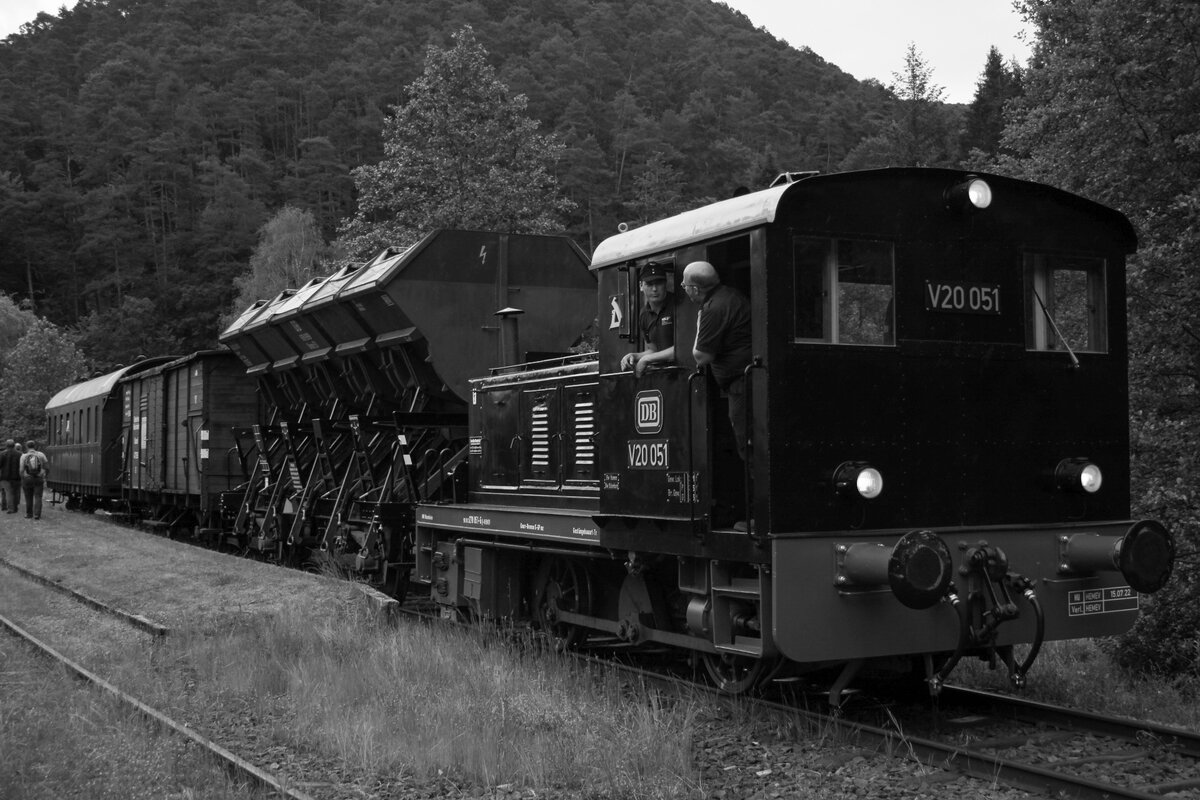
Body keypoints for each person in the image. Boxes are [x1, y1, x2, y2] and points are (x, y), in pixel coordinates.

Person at [683, 260, 753, 457]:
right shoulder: (731, 295)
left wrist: (698, 325)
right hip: (740, 381)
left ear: (695, 289)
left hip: (741, 382)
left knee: (745, 438)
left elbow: (702, 356)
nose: (685, 290)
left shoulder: (713, 308)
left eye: (685, 286)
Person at [619, 264, 676, 376]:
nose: (654, 289)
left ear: (665, 284)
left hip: (684, 371)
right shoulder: (644, 314)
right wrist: (635, 356)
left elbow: (685, 347)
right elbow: (654, 350)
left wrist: (646, 359)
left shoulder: (678, 306)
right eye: (649, 284)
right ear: (641, 286)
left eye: (659, 283)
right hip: (663, 375)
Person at [19, 440, 48, 521]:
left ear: (26, 446)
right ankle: (37, 515)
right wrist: (44, 475)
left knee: (28, 497)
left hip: (27, 478)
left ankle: (29, 514)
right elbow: (47, 467)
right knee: (38, 496)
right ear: (35, 446)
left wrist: (23, 478)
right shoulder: (41, 454)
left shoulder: (23, 456)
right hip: (39, 478)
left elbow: (21, 469)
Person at [0, 439, 19, 514]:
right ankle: (15, 507)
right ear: (14, 445)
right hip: (17, 476)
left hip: (5, 477)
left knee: (7, 492)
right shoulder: (19, 454)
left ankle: (9, 508)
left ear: (6, 445)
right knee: (16, 492)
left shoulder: (2, 454)